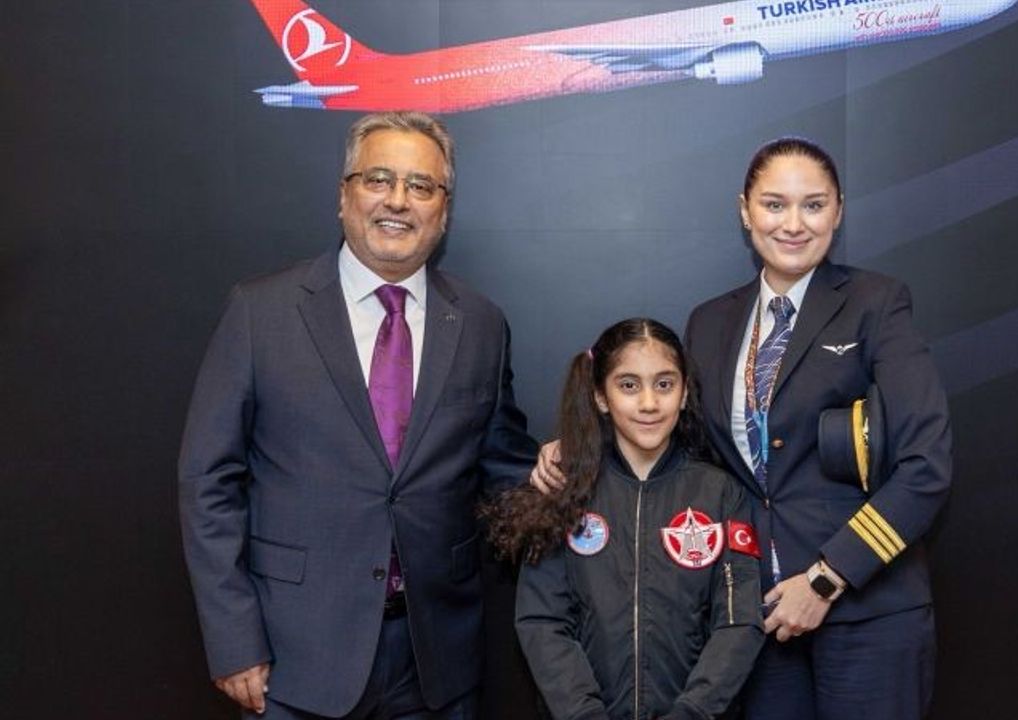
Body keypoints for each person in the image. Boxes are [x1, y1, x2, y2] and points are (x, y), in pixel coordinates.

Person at [531, 138, 951, 720]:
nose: (793, 224)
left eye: (813, 205)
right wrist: (579, 445)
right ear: (745, 211)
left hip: (865, 611)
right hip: (760, 619)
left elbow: (925, 467)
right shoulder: (711, 321)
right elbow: (683, 439)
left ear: (838, 211)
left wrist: (827, 579)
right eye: (775, 204)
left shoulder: (875, 303)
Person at [179, 111, 538, 719]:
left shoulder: (481, 323)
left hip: (436, 661)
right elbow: (207, 482)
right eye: (378, 179)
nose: (398, 200)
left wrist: (565, 478)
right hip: (295, 658)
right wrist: (234, 637)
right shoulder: (260, 312)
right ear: (344, 195)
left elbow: (502, 468)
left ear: (444, 210)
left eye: (421, 186)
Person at [490, 318, 764, 720]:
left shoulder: (721, 494)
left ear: (684, 394)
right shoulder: (565, 491)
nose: (649, 403)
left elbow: (739, 623)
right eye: (629, 385)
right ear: (601, 397)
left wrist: (691, 712)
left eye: (664, 384)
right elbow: (542, 621)